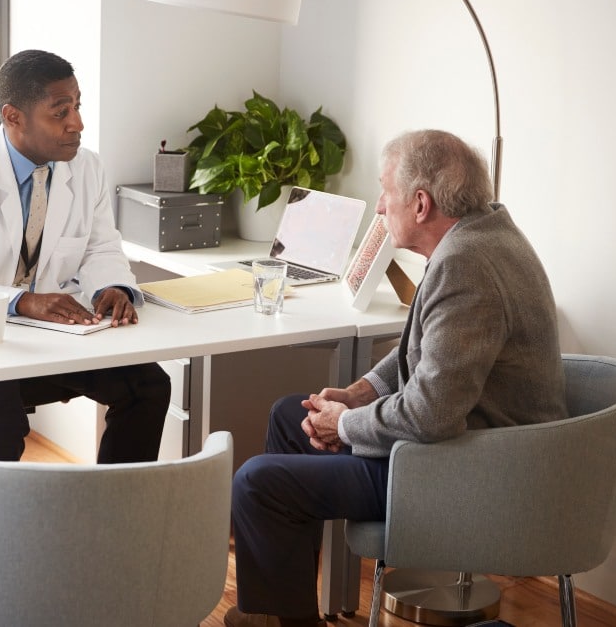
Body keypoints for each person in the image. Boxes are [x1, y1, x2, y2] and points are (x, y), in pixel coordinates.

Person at [225, 130, 567, 627]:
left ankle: (279, 620)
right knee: (288, 415)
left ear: (421, 203)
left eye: (386, 192)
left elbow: (429, 414)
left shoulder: (466, 265)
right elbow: (423, 351)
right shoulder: (479, 235)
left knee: (258, 483)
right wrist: (358, 393)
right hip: (467, 444)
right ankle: (279, 614)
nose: (380, 207)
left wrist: (345, 424)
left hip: (472, 471)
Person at [0, 49, 170, 462]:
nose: (77, 123)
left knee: (149, 385)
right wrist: (22, 301)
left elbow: (101, 245)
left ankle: (116, 520)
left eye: (77, 106)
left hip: (54, 343)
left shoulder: (86, 169)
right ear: (13, 117)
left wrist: (112, 286)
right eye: (60, 112)